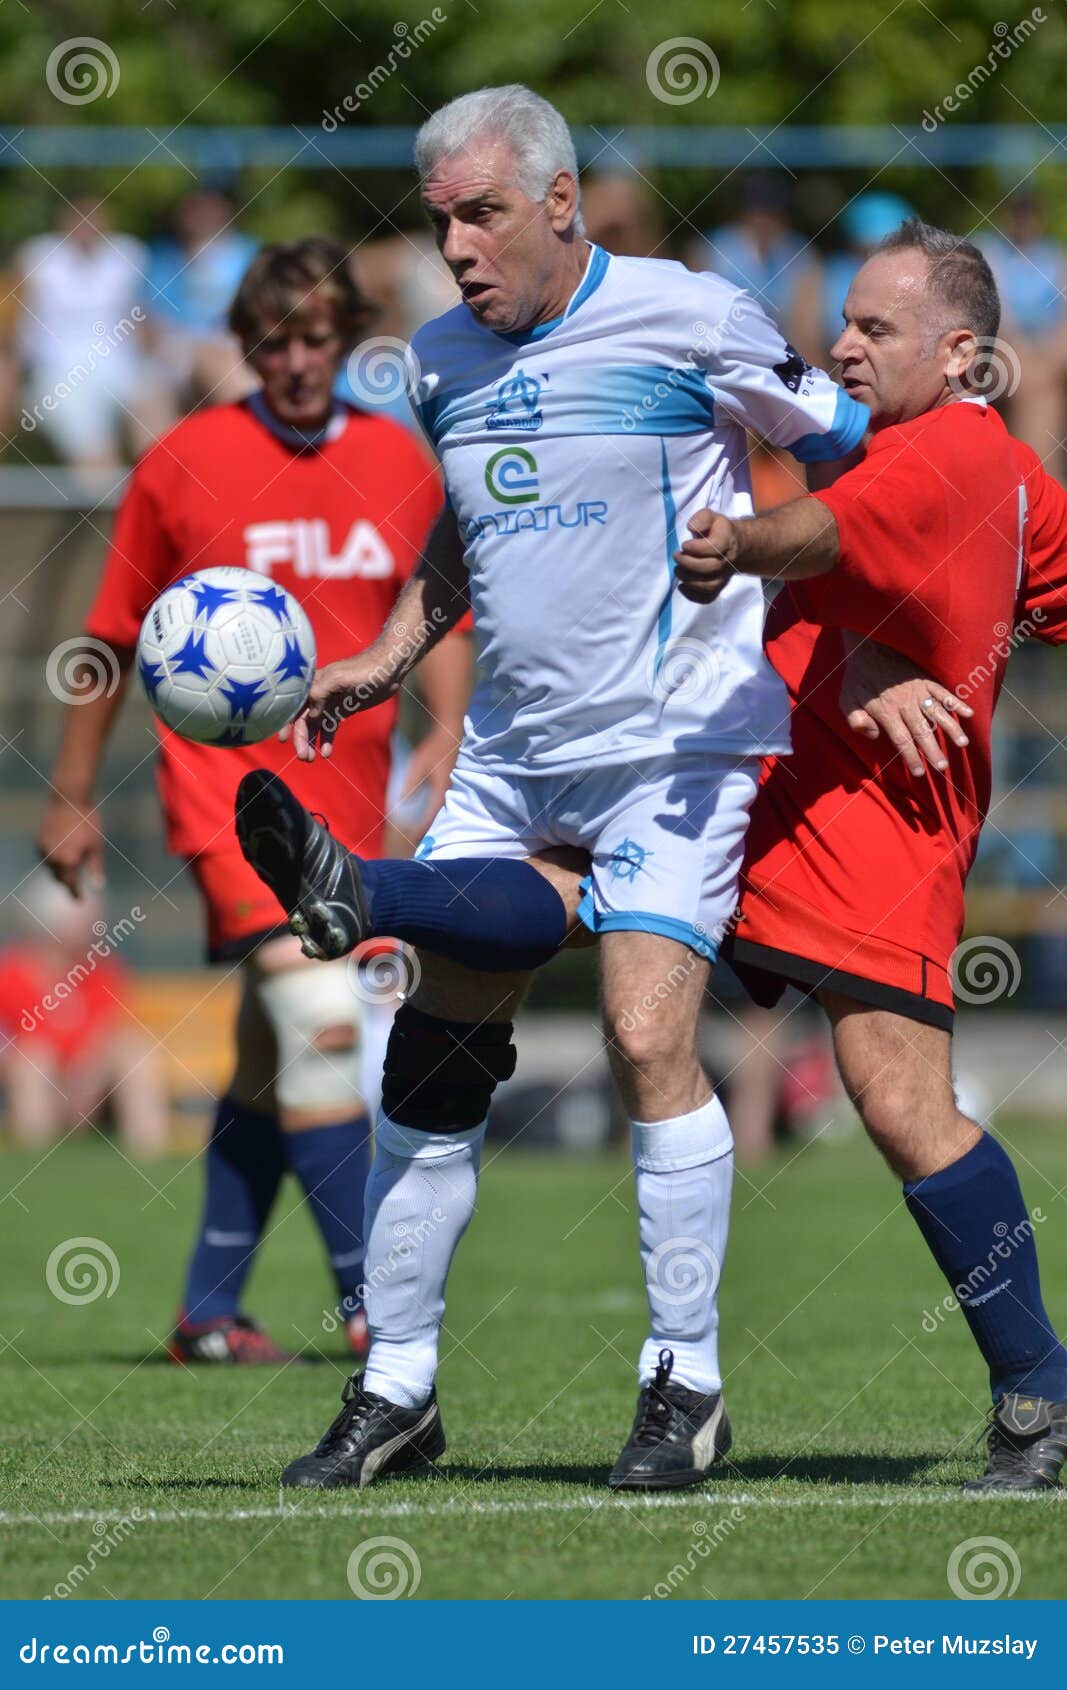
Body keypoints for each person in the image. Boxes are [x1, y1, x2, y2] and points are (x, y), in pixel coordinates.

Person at [233, 84, 868, 1491]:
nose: (453, 245)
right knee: (434, 1052)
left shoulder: (690, 314)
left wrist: (768, 556)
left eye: (481, 213)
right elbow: (466, 548)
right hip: (517, 754)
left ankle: (683, 1384)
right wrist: (386, 657)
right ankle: (395, 1387)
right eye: (439, 217)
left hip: (676, 741)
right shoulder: (442, 361)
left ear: (560, 201)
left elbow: (851, 462)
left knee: (647, 1037)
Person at [674, 219, 1067, 1492]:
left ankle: (1041, 1400)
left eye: (874, 330)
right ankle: (378, 893)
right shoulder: (998, 466)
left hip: (866, 829)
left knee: (900, 1105)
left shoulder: (935, 456)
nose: (839, 345)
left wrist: (741, 542)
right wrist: (871, 655)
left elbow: (826, 540)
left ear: (959, 354)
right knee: (600, 912)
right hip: (802, 802)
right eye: (840, 321)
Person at [38, 237, 471, 1366]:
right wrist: (73, 793)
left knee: (269, 1056)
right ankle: (371, 1303)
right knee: (325, 1026)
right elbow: (106, 641)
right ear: (245, 343)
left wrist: (447, 727)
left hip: (347, 795)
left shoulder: (396, 462)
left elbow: (437, 610)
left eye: (318, 338)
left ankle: (207, 1312)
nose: (296, 361)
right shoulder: (183, 461)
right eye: (274, 340)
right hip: (224, 793)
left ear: (346, 341)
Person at [0, 872, 166, 1158]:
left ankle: (150, 1157)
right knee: (34, 1061)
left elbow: (112, 1030)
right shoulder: (10, 974)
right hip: (29, 1084)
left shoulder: (103, 972)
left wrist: (85, 1079)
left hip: (91, 1088)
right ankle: (36, 1159)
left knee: (135, 1053)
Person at [13, 198, 150, 469]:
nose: (85, 225)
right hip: (57, 373)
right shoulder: (37, 256)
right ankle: (108, 506)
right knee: (94, 449)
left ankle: (158, 498)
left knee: (156, 419)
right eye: (78, 217)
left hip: (123, 368)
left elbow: (144, 319)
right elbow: (16, 320)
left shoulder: (129, 254)